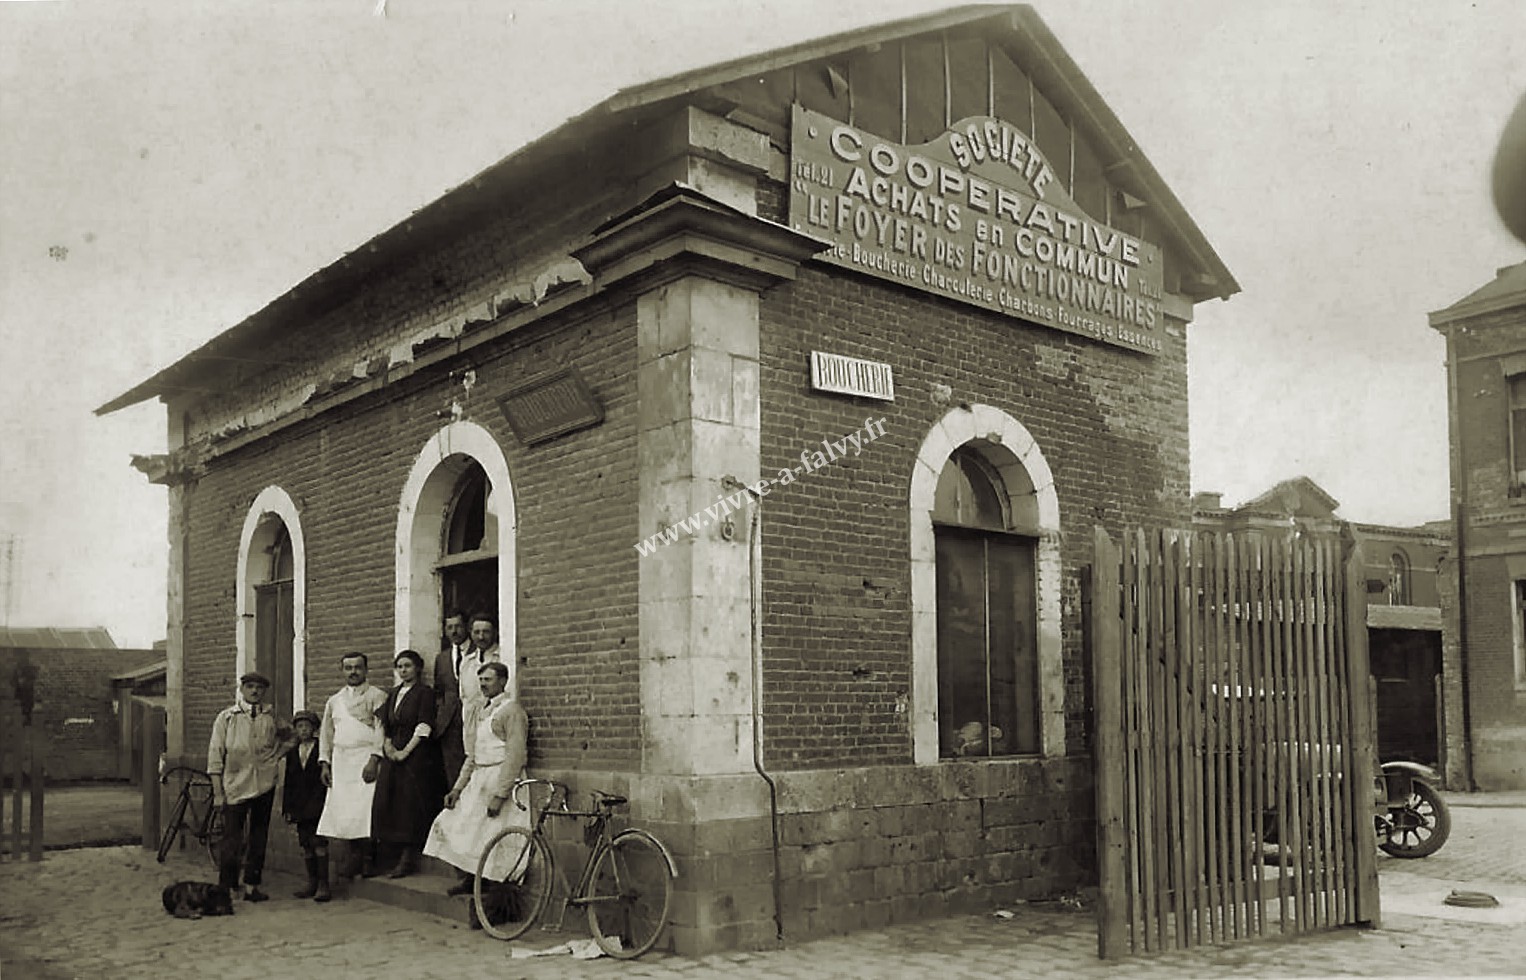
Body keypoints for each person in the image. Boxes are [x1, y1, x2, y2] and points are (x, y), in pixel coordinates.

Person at [422, 660, 528, 896]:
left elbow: (515, 755)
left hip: (501, 779)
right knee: (457, 825)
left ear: (503, 681)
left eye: (488, 680)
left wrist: (500, 795)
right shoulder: (481, 711)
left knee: (493, 834)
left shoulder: (512, 711)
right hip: (478, 779)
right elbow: (472, 755)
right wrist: (457, 789)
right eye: (480, 680)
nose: (483, 685)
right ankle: (470, 878)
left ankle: (492, 888)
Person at [207, 671, 290, 903]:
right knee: (232, 838)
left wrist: (276, 756)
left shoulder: (271, 716)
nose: (255, 691)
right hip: (235, 785)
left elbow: (290, 736)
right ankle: (228, 887)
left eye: (259, 688)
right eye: (250, 687)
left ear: (264, 692)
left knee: (258, 836)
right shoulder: (227, 718)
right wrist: (217, 792)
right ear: (241, 689)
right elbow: (215, 755)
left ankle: (252, 885)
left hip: (263, 784)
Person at [371, 650, 445, 878]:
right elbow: (383, 723)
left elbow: (424, 726)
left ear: (418, 668)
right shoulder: (393, 694)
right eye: (400, 667)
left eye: (408, 666)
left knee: (409, 805)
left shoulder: (424, 693)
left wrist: (405, 752)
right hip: (393, 753)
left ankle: (408, 858)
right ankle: (387, 856)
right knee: (388, 801)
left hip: (417, 755)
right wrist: (389, 748)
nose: (404, 671)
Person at [316, 652, 388, 881]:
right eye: (348, 668)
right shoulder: (334, 701)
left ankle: (368, 859)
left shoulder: (377, 696)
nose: (353, 672)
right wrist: (325, 763)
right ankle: (352, 858)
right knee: (345, 811)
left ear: (366, 670)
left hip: (365, 758)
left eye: (358, 667)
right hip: (342, 761)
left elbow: (381, 730)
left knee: (365, 810)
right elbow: (326, 734)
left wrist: (375, 759)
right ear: (343, 671)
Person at [282, 709, 330, 902]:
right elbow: (289, 782)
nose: (303, 730)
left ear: (315, 729)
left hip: (317, 805)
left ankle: (324, 885)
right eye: (300, 726)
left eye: (307, 726)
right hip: (300, 807)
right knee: (306, 845)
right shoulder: (293, 752)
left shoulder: (321, 750)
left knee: (319, 843)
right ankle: (311, 882)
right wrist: (287, 808)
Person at [433, 609, 472, 789]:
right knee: (453, 770)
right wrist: (442, 712)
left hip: (473, 717)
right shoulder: (442, 658)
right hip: (450, 723)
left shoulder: (477, 651)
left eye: (458, 626)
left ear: (466, 627)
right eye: (450, 627)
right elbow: (439, 690)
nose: (454, 631)